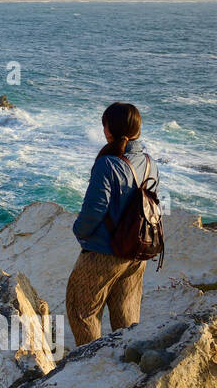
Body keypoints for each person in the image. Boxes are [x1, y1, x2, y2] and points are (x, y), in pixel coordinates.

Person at [66, 102, 159, 346]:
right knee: (126, 318)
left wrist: (80, 232)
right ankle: (126, 366)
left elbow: (95, 210)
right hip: (137, 253)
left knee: (82, 313)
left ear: (109, 130)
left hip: (103, 253)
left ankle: (89, 368)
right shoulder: (150, 163)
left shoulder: (107, 164)